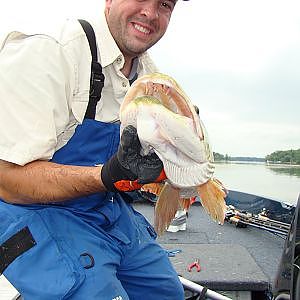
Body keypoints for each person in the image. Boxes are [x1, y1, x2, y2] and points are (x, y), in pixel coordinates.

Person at [0, 1, 190, 299]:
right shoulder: (49, 49)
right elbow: (8, 181)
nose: (150, 13)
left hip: (104, 206)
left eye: (164, 4)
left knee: (166, 293)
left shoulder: (149, 76)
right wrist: (108, 174)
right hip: (28, 210)